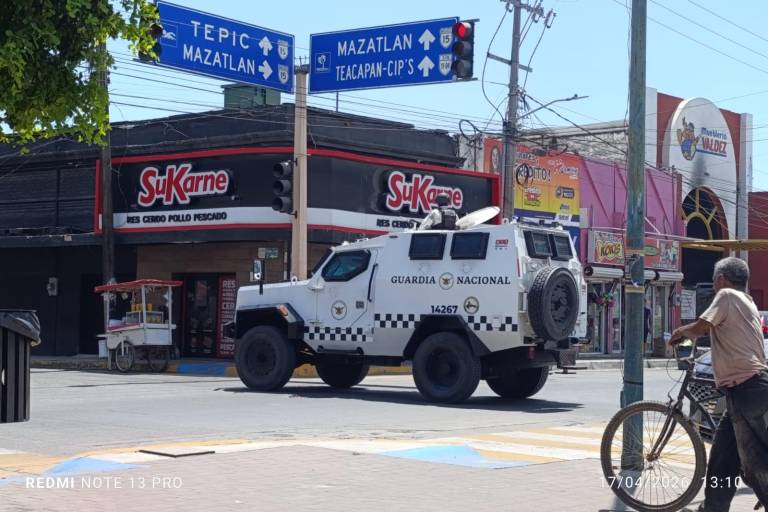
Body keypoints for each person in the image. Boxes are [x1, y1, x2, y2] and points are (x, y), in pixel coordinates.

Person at [669, 257, 768, 511]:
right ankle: (713, 508)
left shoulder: (726, 295)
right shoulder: (748, 302)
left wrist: (681, 332)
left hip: (749, 389)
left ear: (722, 279)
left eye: (714, 281)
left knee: (755, 464)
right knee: (723, 457)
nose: (714, 286)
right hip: (742, 392)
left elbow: (703, 327)